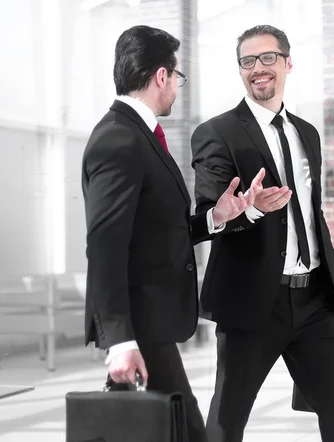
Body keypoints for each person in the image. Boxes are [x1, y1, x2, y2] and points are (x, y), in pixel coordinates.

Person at [81, 25, 264, 442]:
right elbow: (105, 247)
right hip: (140, 327)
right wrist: (119, 341)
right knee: (189, 431)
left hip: (153, 324)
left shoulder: (140, 137)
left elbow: (159, 231)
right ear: (161, 76)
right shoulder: (118, 139)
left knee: (176, 431)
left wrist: (216, 217)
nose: (177, 88)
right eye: (176, 77)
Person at [190, 24, 334, 442]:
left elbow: (312, 216)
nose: (258, 69)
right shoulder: (217, 133)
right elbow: (209, 214)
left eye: (267, 58)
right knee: (227, 422)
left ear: (288, 63)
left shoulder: (307, 133)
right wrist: (244, 211)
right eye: (247, 61)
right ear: (240, 71)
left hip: (313, 303)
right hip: (252, 304)